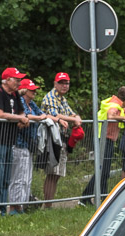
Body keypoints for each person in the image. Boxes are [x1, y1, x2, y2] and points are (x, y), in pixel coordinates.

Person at [81, 86, 125, 202]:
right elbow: (111, 116)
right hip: (105, 140)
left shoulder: (117, 104)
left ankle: (100, 198)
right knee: (103, 171)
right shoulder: (114, 106)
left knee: (104, 171)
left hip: (106, 139)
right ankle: (88, 197)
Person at [0, 67, 29, 214]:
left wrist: (22, 118)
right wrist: (20, 118)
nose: (19, 82)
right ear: (6, 80)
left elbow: (21, 111)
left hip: (10, 140)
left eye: (19, 80)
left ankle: (3, 208)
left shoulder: (15, 95)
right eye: (16, 79)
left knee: (6, 177)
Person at [41, 72, 82, 206]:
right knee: (52, 172)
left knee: (57, 174)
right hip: (52, 139)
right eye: (61, 83)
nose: (64, 86)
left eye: (67, 83)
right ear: (55, 83)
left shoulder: (62, 99)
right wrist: (74, 119)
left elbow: (70, 113)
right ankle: (47, 205)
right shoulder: (51, 97)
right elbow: (54, 114)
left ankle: (49, 203)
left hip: (61, 139)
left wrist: (76, 116)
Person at [9, 79, 50, 213]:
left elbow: (40, 114)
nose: (35, 92)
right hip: (19, 143)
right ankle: (15, 206)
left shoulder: (31, 103)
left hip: (29, 144)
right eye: (32, 90)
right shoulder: (20, 102)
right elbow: (26, 116)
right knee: (18, 177)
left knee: (27, 177)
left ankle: (24, 204)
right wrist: (38, 118)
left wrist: (37, 117)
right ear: (25, 90)